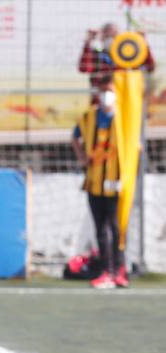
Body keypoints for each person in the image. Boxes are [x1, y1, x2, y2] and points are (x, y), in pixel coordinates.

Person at [72, 91, 128, 289]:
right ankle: (106, 271)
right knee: (101, 227)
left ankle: (119, 269)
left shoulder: (123, 117)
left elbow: (134, 145)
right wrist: (82, 158)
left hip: (115, 181)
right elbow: (74, 137)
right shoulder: (89, 117)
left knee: (115, 225)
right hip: (94, 181)